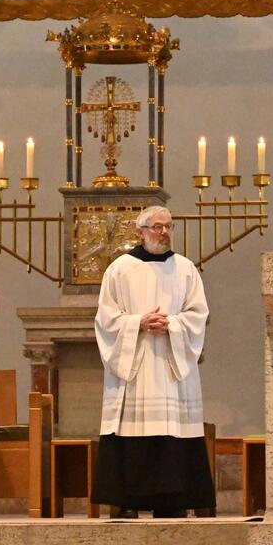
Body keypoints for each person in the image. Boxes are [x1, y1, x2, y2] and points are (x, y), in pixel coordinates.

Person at [93, 205, 216, 518]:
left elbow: (198, 315)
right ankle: (128, 502)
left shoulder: (185, 269)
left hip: (172, 369)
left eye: (168, 226)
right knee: (132, 431)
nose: (164, 232)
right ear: (140, 232)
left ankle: (172, 503)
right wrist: (138, 322)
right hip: (136, 367)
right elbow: (106, 319)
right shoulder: (120, 269)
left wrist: (172, 324)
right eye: (157, 227)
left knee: (173, 432)